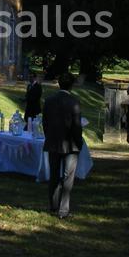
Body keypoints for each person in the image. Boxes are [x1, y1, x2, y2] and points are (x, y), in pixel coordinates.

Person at [42, 72, 83, 219]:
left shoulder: (49, 100)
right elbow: (77, 126)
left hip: (53, 142)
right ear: (71, 85)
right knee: (68, 177)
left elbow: (45, 123)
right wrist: (79, 142)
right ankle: (63, 210)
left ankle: (53, 206)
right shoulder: (74, 102)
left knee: (54, 175)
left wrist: (49, 137)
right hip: (70, 144)